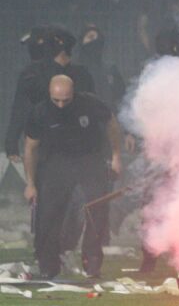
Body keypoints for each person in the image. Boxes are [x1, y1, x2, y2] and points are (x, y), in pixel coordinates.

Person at [23, 74, 121, 279]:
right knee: (49, 214)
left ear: (73, 93)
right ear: (49, 94)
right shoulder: (40, 112)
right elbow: (30, 149)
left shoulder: (90, 103)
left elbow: (111, 124)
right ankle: (49, 265)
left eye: (65, 100)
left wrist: (116, 156)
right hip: (56, 163)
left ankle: (92, 262)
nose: (60, 105)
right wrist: (30, 183)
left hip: (90, 159)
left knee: (96, 209)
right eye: (56, 100)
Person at [6, 27, 97, 170]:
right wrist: (11, 144)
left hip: (76, 148)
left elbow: (94, 110)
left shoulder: (81, 74)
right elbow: (21, 109)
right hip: (47, 148)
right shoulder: (32, 74)